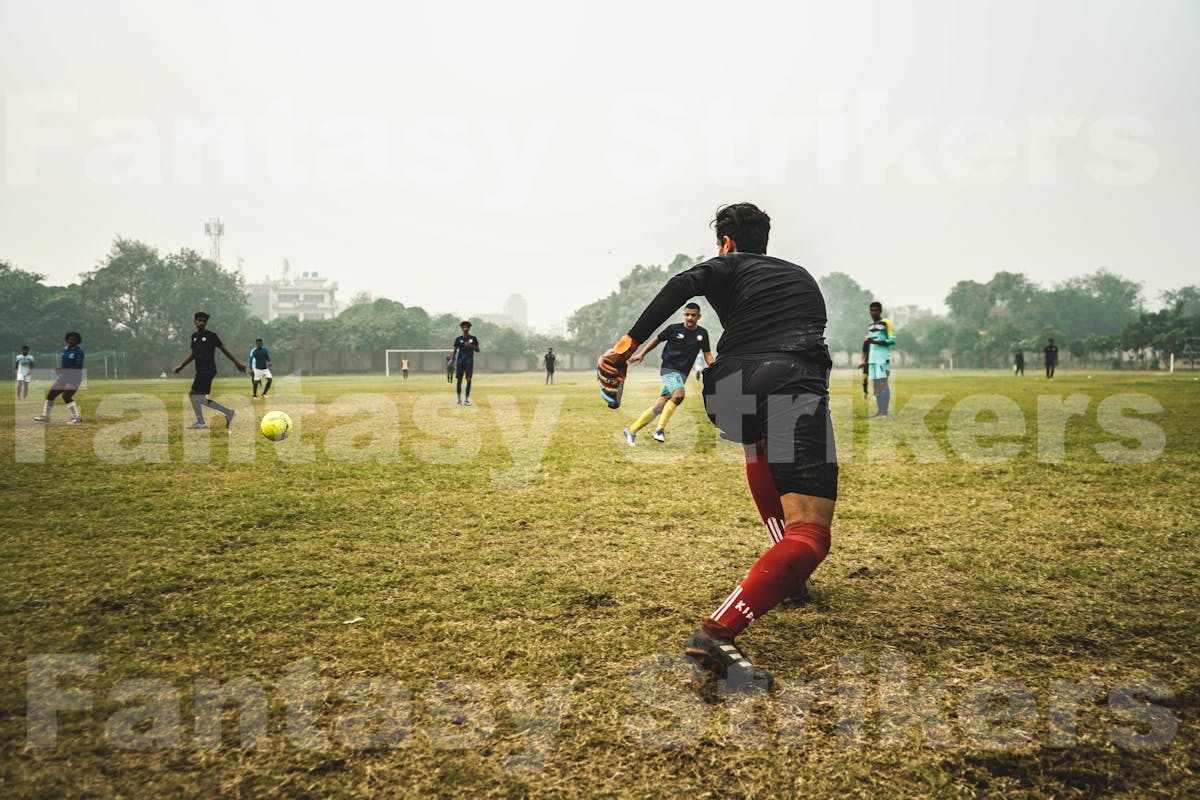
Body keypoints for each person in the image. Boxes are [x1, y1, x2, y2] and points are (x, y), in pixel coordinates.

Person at [597, 203, 836, 691]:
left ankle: (785, 571)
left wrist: (623, 348)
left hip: (727, 387)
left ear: (725, 242)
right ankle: (718, 632)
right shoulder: (800, 277)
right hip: (790, 379)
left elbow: (680, 285)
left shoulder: (725, 265)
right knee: (810, 536)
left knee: (758, 445)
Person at [622, 303, 713, 445]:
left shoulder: (702, 333)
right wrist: (642, 354)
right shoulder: (673, 329)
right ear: (684, 315)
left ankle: (631, 431)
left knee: (659, 406)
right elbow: (657, 339)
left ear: (698, 316)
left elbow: (708, 355)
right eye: (687, 314)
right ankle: (659, 430)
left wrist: (714, 367)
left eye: (693, 315)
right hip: (669, 369)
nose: (690, 318)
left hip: (682, 374)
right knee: (679, 395)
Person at [173, 311, 246, 429]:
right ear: (195, 322)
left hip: (208, 370)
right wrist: (182, 366)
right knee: (197, 397)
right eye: (198, 320)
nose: (200, 322)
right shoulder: (194, 337)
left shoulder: (212, 336)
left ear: (206, 323)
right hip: (200, 370)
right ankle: (226, 413)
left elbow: (224, 350)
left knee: (194, 395)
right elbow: (193, 354)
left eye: (203, 320)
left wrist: (237, 363)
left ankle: (203, 421)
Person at [34, 332, 84, 424]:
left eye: (74, 339)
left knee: (66, 396)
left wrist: (63, 370)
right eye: (69, 339)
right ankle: (45, 416)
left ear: (78, 341)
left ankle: (76, 418)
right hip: (64, 377)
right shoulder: (65, 349)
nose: (71, 341)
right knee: (51, 395)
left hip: (74, 377)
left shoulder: (79, 351)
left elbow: (78, 366)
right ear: (67, 339)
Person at [864, 302, 896, 417]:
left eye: (876, 310)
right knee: (876, 385)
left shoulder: (886, 323)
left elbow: (892, 340)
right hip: (873, 360)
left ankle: (884, 412)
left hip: (883, 359)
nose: (873, 312)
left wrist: (875, 341)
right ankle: (879, 411)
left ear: (880, 311)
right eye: (871, 310)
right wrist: (866, 360)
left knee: (883, 383)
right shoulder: (870, 326)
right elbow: (869, 345)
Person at [452, 320, 481, 405]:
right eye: (463, 327)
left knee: (468, 380)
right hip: (460, 362)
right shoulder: (458, 339)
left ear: (469, 328)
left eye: (467, 327)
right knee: (459, 380)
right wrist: (452, 361)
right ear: (461, 328)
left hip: (469, 362)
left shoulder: (473, 338)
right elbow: (455, 351)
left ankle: (467, 400)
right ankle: (459, 399)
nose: (465, 328)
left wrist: (470, 345)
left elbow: (478, 350)